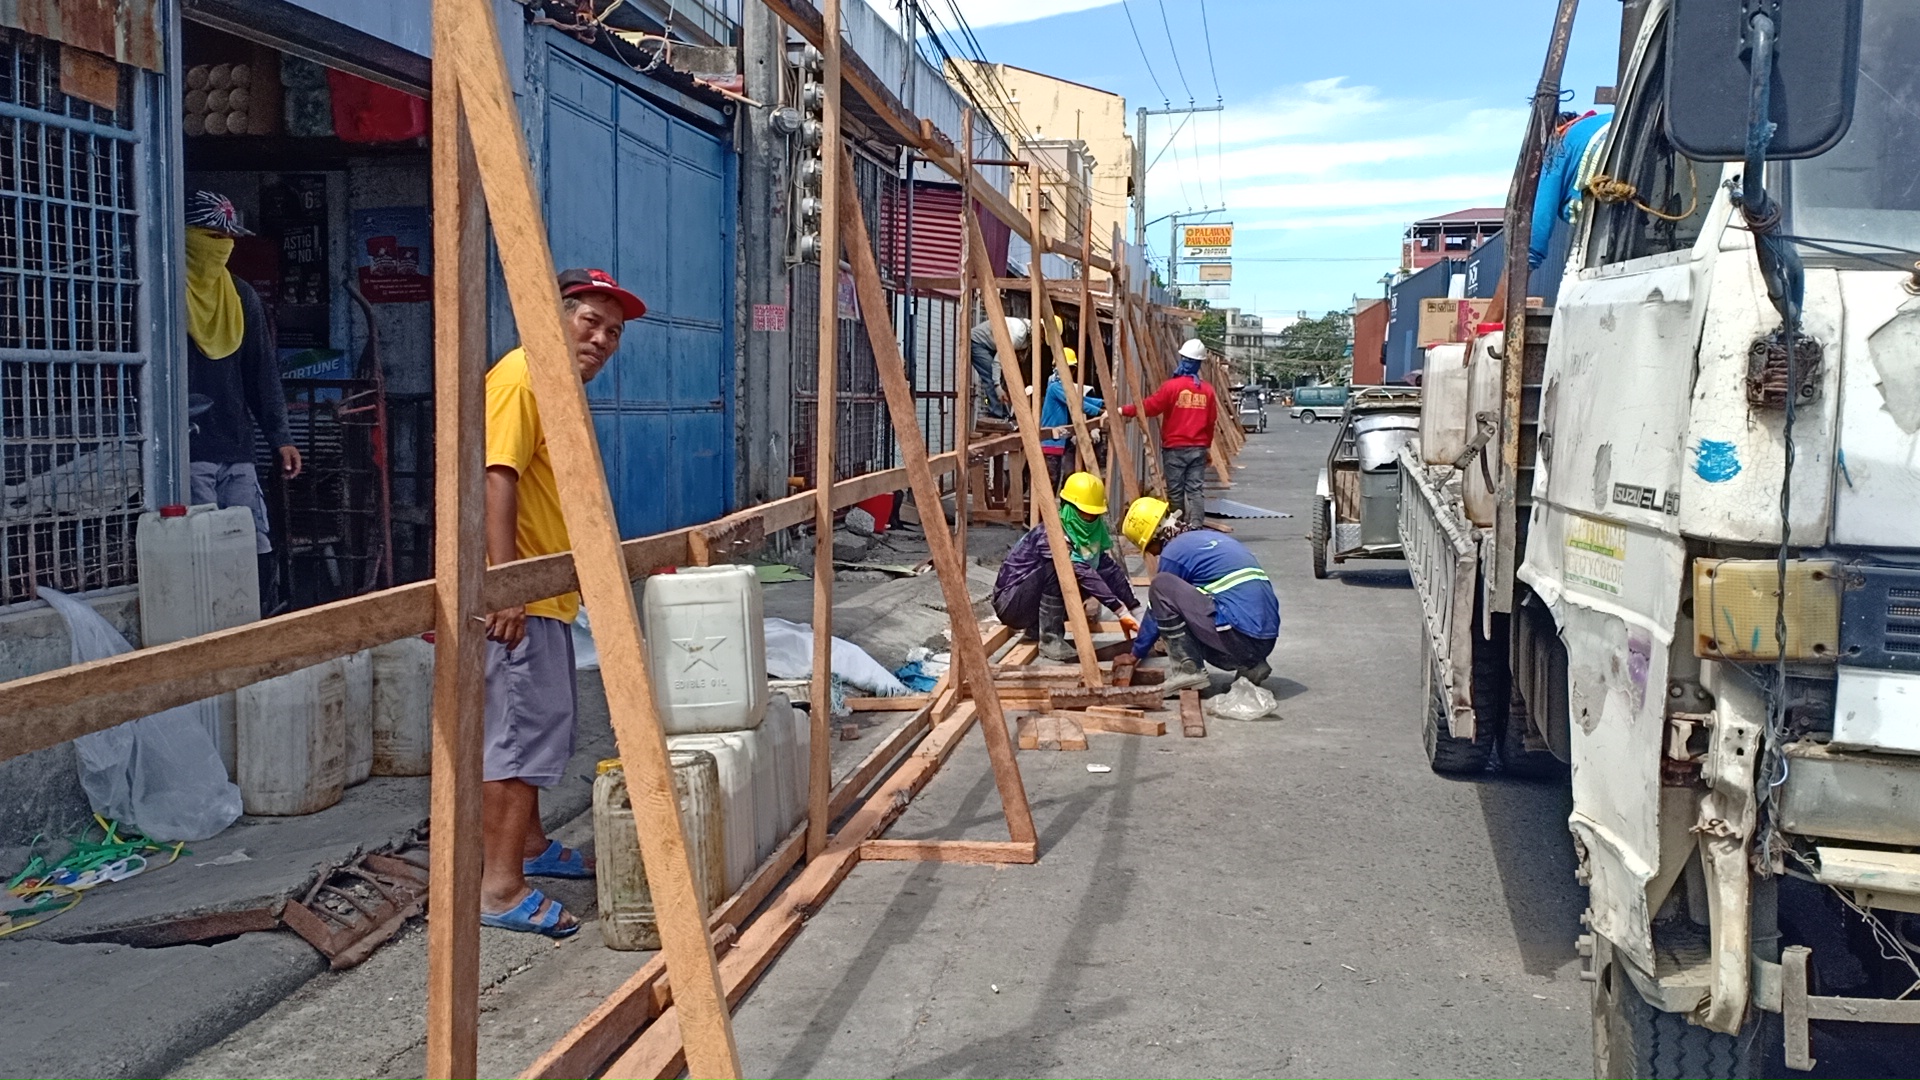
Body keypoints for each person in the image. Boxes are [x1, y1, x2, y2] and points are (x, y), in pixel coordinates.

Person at [481, 267, 646, 938]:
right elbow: (497, 477)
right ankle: (499, 888)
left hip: (545, 594)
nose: (602, 339)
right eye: (590, 322)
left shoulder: (549, 386)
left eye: (613, 332)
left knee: (541, 726)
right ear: (555, 315)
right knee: (518, 739)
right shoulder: (521, 378)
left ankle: (529, 845)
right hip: (523, 599)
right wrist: (507, 583)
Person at [183, 190, 302, 615]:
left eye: (226, 238)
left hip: (236, 446)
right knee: (199, 546)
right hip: (185, 451)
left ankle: (258, 621)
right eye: (209, 236)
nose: (221, 247)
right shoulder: (161, 295)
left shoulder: (241, 297)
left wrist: (280, 437)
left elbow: (262, 373)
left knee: (252, 537)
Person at [1121, 495, 1279, 693]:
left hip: (1241, 637)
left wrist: (1135, 653)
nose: (1152, 554)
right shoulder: (1206, 538)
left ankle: (1187, 670)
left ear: (1155, 536)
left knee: (1161, 586)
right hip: (1264, 640)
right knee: (1202, 601)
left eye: (1148, 549)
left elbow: (1156, 609)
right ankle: (1251, 666)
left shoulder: (1174, 552)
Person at [992, 471, 1139, 661]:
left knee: (1095, 569)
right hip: (1012, 604)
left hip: (1030, 603)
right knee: (1063, 566)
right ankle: (1050, 639)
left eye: (1093, 515)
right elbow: (1080, 571)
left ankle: (1038, 628)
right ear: (1068, 507)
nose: (1088, 519)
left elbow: (1109, 571)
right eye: (1084, 513)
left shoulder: (1088, 536)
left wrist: (1135, 611)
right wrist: (1120, 611)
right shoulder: (1050, 534)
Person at [1121, 338, 1217, 528]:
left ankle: (1177, 527)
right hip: (1197, 448)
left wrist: (1124, 410)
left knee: (1175, 491)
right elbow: (1210, 423)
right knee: (1195, 490)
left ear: (1182, 359)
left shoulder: (1171, 387)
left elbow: (1150, 406)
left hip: (1174, 449)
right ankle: (1196, 526)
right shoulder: (1207, 391)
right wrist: (1206, 448)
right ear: (1199, 363)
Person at [1528, 110, 1613, 271]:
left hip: (1607, 223)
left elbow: (1542, 213)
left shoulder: (1557, 145)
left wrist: (1528, 260)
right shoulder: (1607, 118)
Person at [1036, 330, 1103, 492]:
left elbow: (1080, 398)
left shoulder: (1060, 387)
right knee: (1050, 486)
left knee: (1058, 481)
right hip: (1050, 444)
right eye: (1071, 369)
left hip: (1059, 444)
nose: (1072, 373)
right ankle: (1040, 517)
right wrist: (1099, 411)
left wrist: (1102, 403)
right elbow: (1075, 402)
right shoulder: (1056, 388)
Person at [968, 316, 1029, 421]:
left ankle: (1005, 413)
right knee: (992, 375)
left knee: (1002, 376)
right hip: (978, 342)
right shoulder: (1018, 335)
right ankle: (997, 415)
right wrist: (997, 386)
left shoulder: (1028, 337)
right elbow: (997, 361)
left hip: (992, 344)